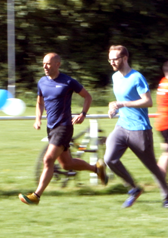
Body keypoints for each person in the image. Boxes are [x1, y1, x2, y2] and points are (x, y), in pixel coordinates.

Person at [19, 53, 107, 205]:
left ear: (57, 64)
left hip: (64, 127)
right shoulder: (42, 82)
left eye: (48, 63)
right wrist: (38, 118)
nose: (45, 67)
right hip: (51, 128)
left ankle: (36, 196)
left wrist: (83, 114)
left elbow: (88, 97)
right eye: (43, 63)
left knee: (48, 159)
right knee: (67, 164)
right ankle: (97, 169)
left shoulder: (68, 81)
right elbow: (40, 102)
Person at [103, 45, 168, 208]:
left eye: (114, 59)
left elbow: (148, 101)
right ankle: (134, 188)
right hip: (121, 126)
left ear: (124, 58)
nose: (112, 62)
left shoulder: (137, 77)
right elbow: (118, 100)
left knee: (151, 166)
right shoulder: (115, 77)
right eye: (110, 59)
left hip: (140, 129)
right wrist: (112, 107)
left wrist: (122, 104)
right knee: (109, 159)